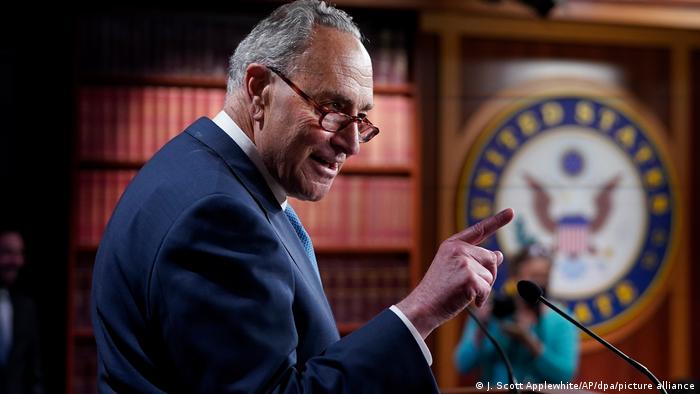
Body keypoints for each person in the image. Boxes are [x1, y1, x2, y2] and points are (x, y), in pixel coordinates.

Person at [91, 1, 514, 392]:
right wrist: (420, 311)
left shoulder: (208, 171)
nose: (353, 145)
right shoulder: (217, 215)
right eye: (332, 109)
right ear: (259, 90)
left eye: (361, 117)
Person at [454, 244, 579, 385]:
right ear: (515, 276)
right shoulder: (493, 314)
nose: (539, 283)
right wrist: (480, 329)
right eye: (534, 276)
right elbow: (462, 365)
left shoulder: (561, 319)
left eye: (544, 276)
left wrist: (529, 341)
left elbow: (565, 375)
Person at [0, 228, 43, 394]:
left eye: (19, 254)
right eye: (8, 253)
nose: (16, 261)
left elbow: (35, 372)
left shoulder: (27, 307)